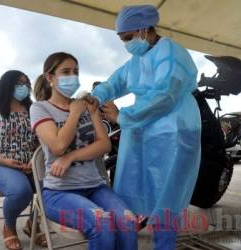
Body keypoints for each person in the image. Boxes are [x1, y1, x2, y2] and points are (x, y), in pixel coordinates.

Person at [85, 5, 202, 249]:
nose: (127, 44)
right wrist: (96, 96)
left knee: (167, 195)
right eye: (122, 40)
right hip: (144, 130)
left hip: (174, 131)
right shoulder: (137, 60)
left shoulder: (170, 52)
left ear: (143, 29)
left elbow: (164, 95)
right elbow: (116, 81)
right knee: (137, 187)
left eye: (128, 38)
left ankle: (164, 245)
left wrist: (122, 116)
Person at [30, 52, 138, 250]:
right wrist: (75, 113)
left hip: (95, 186)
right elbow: (58, 146)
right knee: (102, 224)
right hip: (59, 192)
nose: (72, 76)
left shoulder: (89, 105)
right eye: (66, 72)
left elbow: (104, 144)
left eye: (76, 72)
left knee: (128, 222)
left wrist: (70, 157)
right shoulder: (40, 108)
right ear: (50, 78)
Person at [0, 70, 47, 250]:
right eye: (19, 83)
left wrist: (35, 161)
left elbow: (42, 139)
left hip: (31, 165)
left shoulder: (33, 109)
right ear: (7, 85)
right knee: (20, 190)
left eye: (26, 83)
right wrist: (3, 160)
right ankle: (9, 226)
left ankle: (33, 224)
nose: (23, 87)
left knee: (57, 185)